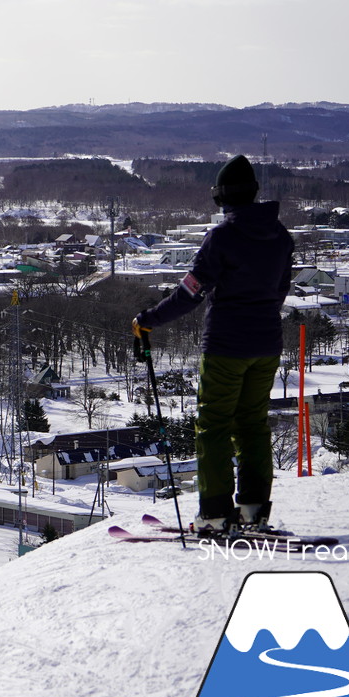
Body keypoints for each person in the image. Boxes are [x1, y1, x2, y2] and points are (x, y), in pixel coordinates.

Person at [132, 154, 294, 534]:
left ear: (220, 197)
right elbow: (281, 290)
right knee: (253, 425)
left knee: (214, 427)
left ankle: (215, 514)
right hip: (267, 344)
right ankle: (254, 511)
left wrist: (148, 319)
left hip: (225, 347)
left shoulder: (222, 237)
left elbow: (191, 292)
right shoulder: (281, 234)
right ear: (253, 192)